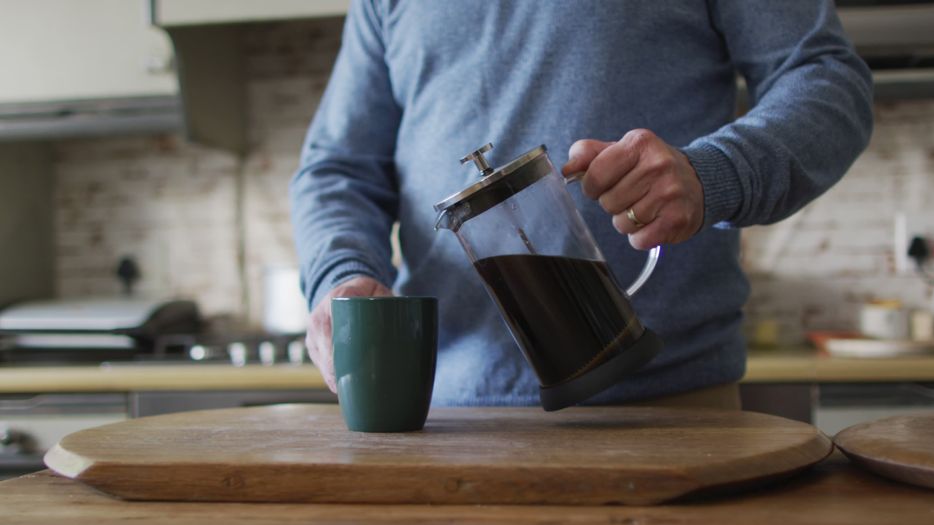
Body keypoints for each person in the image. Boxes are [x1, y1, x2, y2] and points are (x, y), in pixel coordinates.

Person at [291, 1, 873, 409]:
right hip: (446, 419)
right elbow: (337, 166)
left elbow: (825, 78)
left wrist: (711, 174)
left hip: (670, 412)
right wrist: (342, 275)